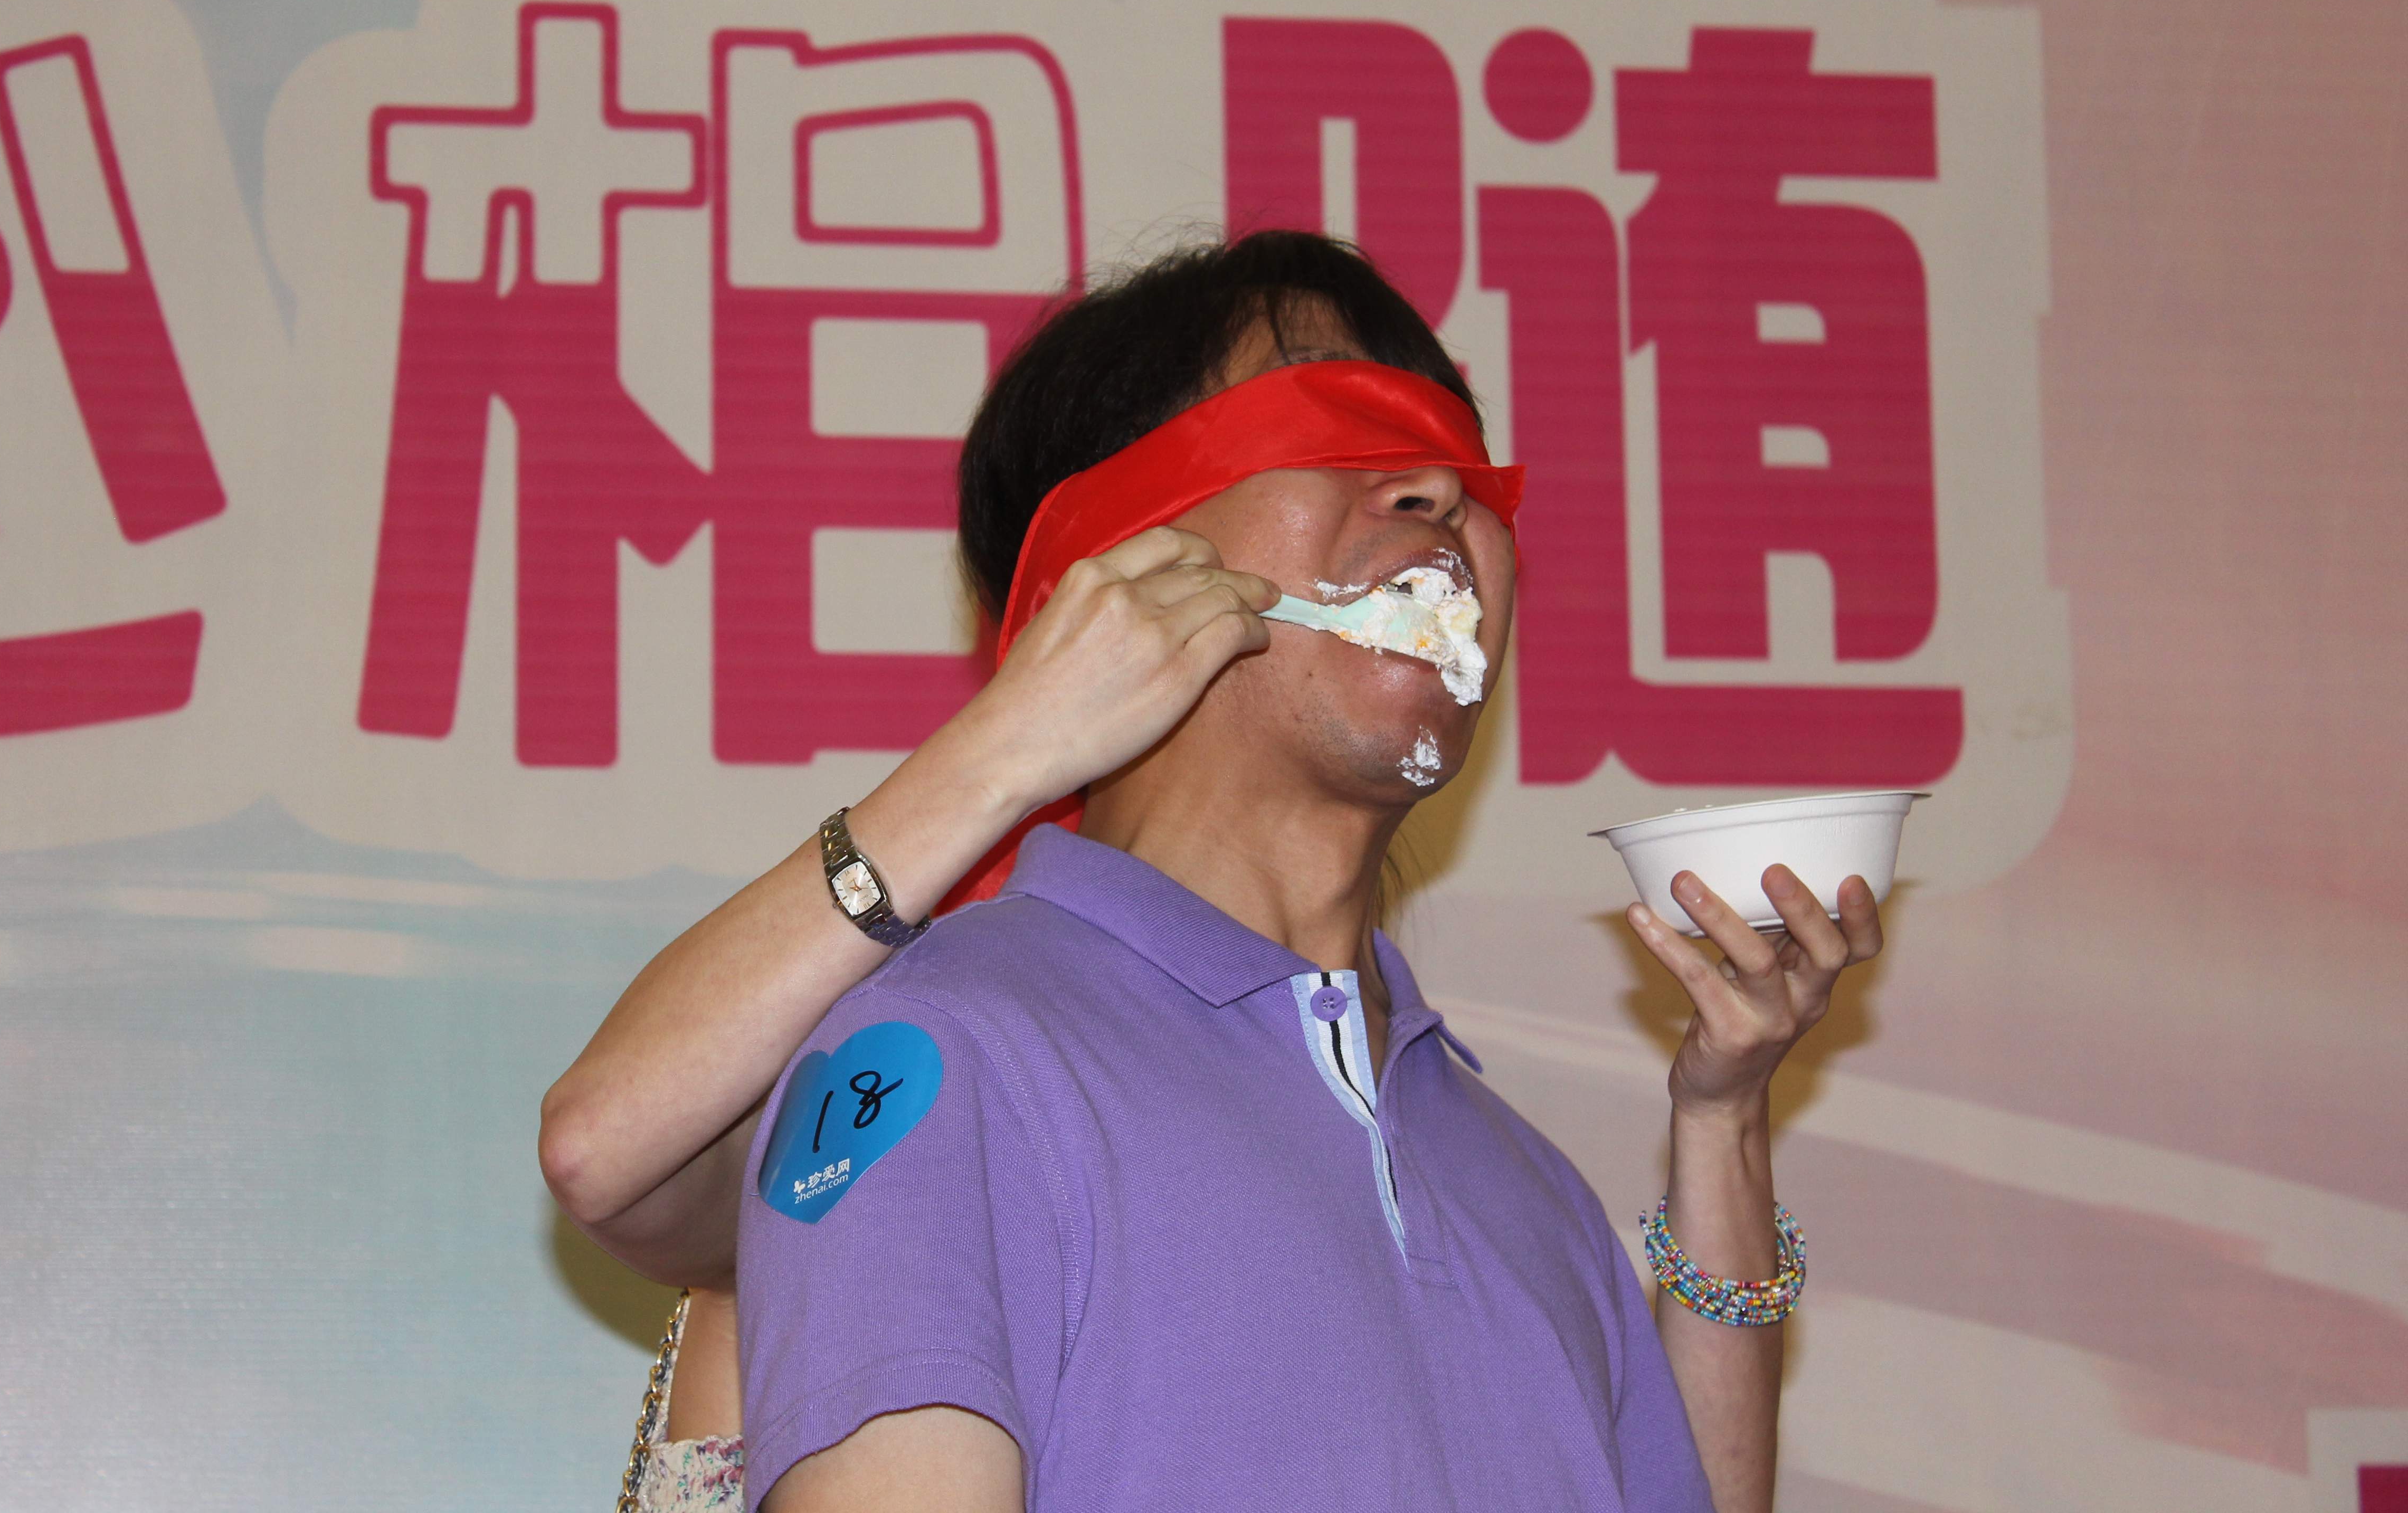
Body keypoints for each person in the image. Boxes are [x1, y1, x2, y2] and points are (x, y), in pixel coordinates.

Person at [540, 231, 1880, 1512]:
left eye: (1463, 465)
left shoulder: (1530, 1191)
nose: (1439, 493)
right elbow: (607, 1149)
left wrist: (1724, 1125)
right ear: (1117, 566)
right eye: (1336, 431)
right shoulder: (950, 1051)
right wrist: (1008, 742)